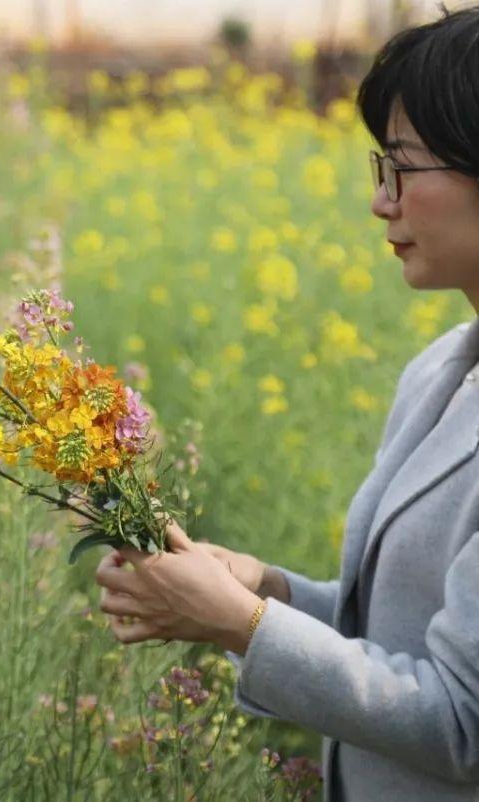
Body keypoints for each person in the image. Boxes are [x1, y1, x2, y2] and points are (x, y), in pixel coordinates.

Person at [93, 6, 479, 800]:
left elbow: (461, 724)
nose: (381, 203)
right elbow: (402, 632)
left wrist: (241, 626)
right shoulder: (440, 370)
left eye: (402, 168)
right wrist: (263, 589)